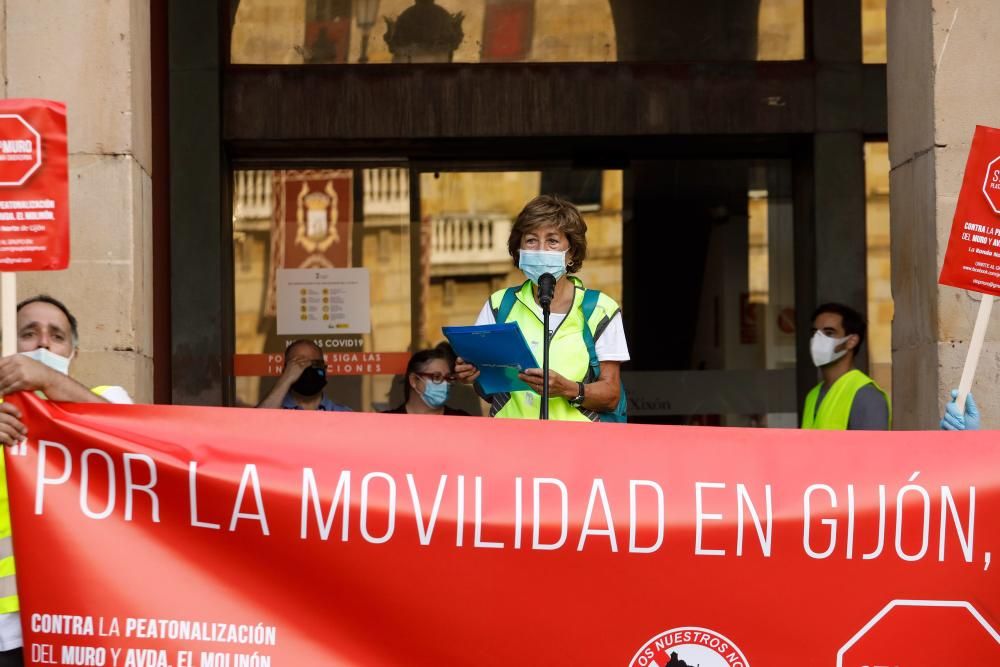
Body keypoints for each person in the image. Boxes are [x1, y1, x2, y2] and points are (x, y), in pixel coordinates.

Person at [0, 294, 134, 667]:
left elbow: (132, 450)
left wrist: (46, 379)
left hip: (82, 616)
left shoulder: (107, 400)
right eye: (29, 333)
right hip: (7, 630)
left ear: (73, 353)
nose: (43, 343)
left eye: (56, 336)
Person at [454, 194, 630, 421]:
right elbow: (488, 388)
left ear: (572, 253)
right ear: (519, 249)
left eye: (552, 241)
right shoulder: (500, 305)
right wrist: (472, 374)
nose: (540, 250)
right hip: (510, 443)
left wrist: (568, 389)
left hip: (576, 448)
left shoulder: (599, 309)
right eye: (531, 240)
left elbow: (611, 394)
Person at [801, 302, 890, 430]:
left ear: (851, 341)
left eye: (829, 333)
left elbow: (874, 449)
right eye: (815, 332)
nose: (818, 339)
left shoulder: (866, 395)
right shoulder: (812, 396)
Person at [256, 339, 351, 412]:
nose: (307, 369)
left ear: (325, 370)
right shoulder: (275, 409)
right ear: (287, 371)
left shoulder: (343, 414)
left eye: (314, 364)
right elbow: (255, 426)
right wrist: (285, 380)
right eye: (299, 364)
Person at [382, 344, 472, 416]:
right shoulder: (387, 422)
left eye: (447, 378)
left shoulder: (461, 420)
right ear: (413, 380)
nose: (445, 384)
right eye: (436, 377)